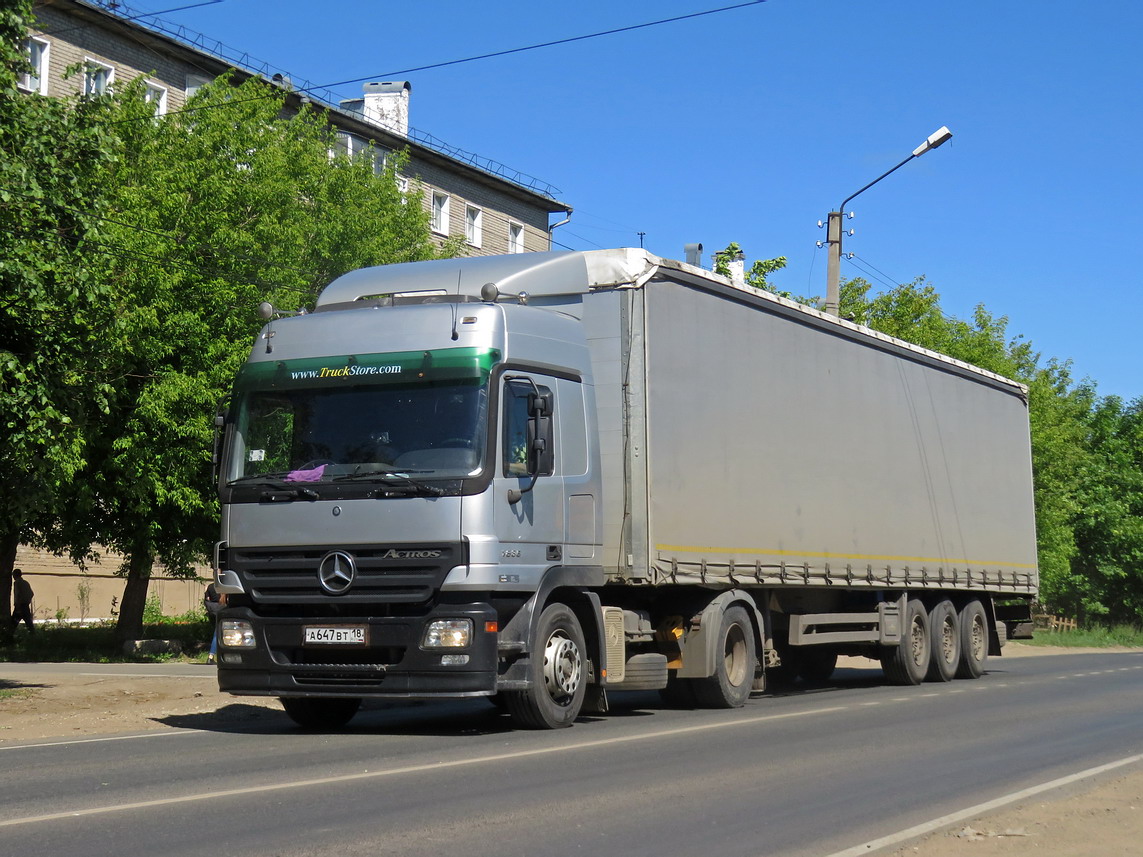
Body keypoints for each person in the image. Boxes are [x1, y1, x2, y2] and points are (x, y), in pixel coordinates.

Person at [203, 582, 225, 663]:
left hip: (212, 612)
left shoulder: (210, 586)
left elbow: (208, 599)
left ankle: (216, 655)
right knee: (218, 634)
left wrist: (205, 592)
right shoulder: (226, 586)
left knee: (218, 634)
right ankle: (211, 656)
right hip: (222, 610)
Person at [12, 569, 35, 634]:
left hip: (19, 606)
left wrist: (18, 606)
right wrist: (27, 601)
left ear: (15, 575)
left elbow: (18, 594)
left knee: (13, 624)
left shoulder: (17, 583)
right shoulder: (26, 583)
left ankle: (8, 638)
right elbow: (31, 594)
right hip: (26, 605)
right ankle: (34, 637)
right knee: (29, 624)